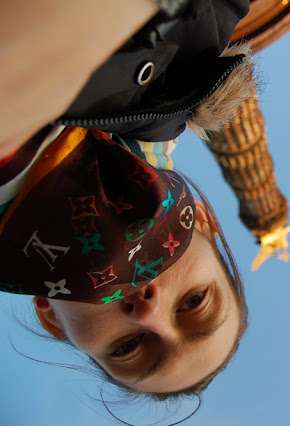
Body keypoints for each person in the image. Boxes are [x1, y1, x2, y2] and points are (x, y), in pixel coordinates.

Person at [0, 0, 256, 403]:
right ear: (204, 221)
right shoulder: (195, 57)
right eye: (194, 301)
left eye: (125, 348)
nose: (149, 314)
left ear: (51, 319)